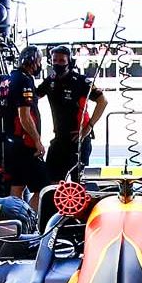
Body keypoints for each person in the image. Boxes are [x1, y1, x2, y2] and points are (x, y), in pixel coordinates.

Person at [39, 44, 107, 182]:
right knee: (51, 181)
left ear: (70, 62)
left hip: (78, 139)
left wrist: (89, 127)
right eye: (55, 60)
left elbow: (103, 101)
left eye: (62, 61)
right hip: (59, 138)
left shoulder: (81, 81)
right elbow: (33, 97)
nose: (58, 64)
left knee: (78, 185)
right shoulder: (50, 80)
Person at [0, 45, 46, 198]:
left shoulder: (6, 80)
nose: (39, 65)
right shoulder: (24, 81)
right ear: (32, 61)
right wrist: (37, 141)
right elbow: (24, 116)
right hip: (26, 144)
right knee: (43, 189)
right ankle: (28, 220)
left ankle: (15, 219)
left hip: (10, 142)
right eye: (39, 61)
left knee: (17, 186)